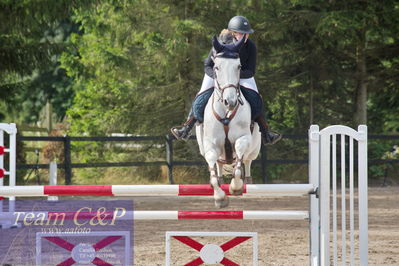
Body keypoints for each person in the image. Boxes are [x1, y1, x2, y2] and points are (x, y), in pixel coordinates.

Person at [171, 16, 282, 145]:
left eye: (247, 34)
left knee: (256, 97)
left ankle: (266, 132)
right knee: (202, 94)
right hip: (216, 74)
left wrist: (234, 74)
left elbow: (251, 70)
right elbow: (207, 65)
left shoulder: (251, 46)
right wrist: (220, 76)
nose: (246, 36)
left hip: (242, 75)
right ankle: (186, 128)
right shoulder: (220, 43)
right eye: (242, 33)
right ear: (233, 33)